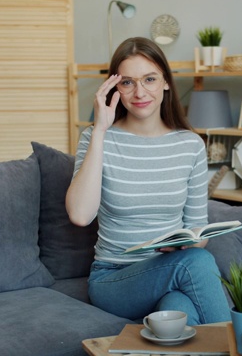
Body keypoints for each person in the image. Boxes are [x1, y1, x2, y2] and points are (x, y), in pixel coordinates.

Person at [65, 37, 231, 325]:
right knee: (197, 263)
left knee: (180, 311)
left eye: (149, 79)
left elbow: (197, 232)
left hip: (168, 269)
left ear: (165, 82)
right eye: (128, 82)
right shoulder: (96, 139)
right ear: (115, 88)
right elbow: (80, 215)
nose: (139, 92)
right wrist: (100, 131)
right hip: (114, 279)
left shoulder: (190, 145)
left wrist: (181, 248)